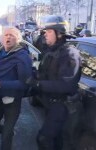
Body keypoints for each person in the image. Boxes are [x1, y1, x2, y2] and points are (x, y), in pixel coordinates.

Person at [26, 15, 82, 150]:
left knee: (44, 139)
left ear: (60, 33)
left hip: (61, 106)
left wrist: (38, 84)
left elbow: (67, 85)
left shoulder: (69, 54)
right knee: (56, 141)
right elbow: (47, 74)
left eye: (49, 31)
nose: (45, 35)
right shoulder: (52, 51)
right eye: (45, 32)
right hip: (50, 103)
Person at [0, 26, 33, 150]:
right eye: (6, 35)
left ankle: (8, 134)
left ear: (18, 39)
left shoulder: (22, 56)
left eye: (12, 35)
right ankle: (7, 132)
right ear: (1, 38)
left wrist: (0, 84)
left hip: (13, 100)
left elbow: (25, 83)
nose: (8, 37)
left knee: (6, 134)